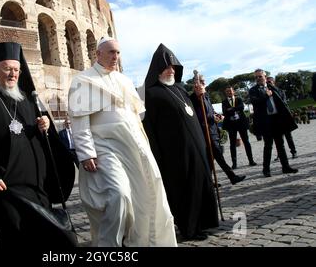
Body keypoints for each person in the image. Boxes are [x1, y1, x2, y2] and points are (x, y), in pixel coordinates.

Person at [0, 42, 76, 247]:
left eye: (16, 69)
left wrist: (46, 127)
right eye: (7, 68)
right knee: (13, 233)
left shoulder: (29, 99)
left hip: (37, 183)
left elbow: (47, 140)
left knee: (42, 233)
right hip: (7, 184)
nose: (12, 74)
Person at [68, 37, 177, 247]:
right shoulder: (83, 80)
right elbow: (79, 120)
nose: (115, 57)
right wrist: (86, 152)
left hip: (134, 145)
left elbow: (136, 116)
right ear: (97, 54)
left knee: (148, 192)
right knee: (118, 195)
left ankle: (145, 241)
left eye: (118, 52)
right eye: (110, 52)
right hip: (104, 146)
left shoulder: (124, 80)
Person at [142, 43, 219, 241]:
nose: (171, 70)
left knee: (201, 183)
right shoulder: (151, 93)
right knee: (184, 189)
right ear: (158, 69)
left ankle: (204, 222)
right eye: (167, 67)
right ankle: (189, 228)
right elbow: (149, 127)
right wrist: (157, 155)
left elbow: (191, 110)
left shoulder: (180, 89)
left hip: (197, 148)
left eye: (174, 67)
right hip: (174, 153)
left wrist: (198, 95)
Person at [190, 84, 246, 185]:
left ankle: (209, 181)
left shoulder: (206, 96)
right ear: (195, 87)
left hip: (213, 130)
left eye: (203, 83)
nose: (202, 85)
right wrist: (212, 118)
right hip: (205, 132)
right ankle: (232, 177)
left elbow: (211, 110)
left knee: (211, 158)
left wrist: (217, 115)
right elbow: (200, 116)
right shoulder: (194, 99)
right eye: (200, 83)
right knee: (218, 155)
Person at [249, 69, 298, 177]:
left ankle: (286, 167)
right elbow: (255, 102)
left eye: (260, 76)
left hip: (277, 120)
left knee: (280, 145)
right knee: (268, 145)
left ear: (265, 77)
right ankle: (266, 169)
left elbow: (281, 98)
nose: (258, 79)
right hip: (265, 122)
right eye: (256, 77)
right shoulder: (253, 90)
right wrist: (266, 95)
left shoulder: (272, 87)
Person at [221, 86, 257, 168]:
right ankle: (234, 163)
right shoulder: (224, 102)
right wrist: (235, 109)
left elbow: (242, 107)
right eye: (227, 91)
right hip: (231, 125)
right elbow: (224, 112)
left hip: (241, 123)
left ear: (233, 91)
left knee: (246, 142)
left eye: (230, 91)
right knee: (232, 144)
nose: (229, 92)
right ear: (225, 93)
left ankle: (251, 160)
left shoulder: (239, 99)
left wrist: (231, 109)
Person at [266, 77, 297, 159]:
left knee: (288, 136)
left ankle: (293, 152)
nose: (268, 83)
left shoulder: (281, 91)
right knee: (278, 139)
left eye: (269, 81)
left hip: (283, 117)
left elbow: (284, 102)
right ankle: (280, 155)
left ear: (273, 82)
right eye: (267, 82)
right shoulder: (265, 92)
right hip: (274, 118)